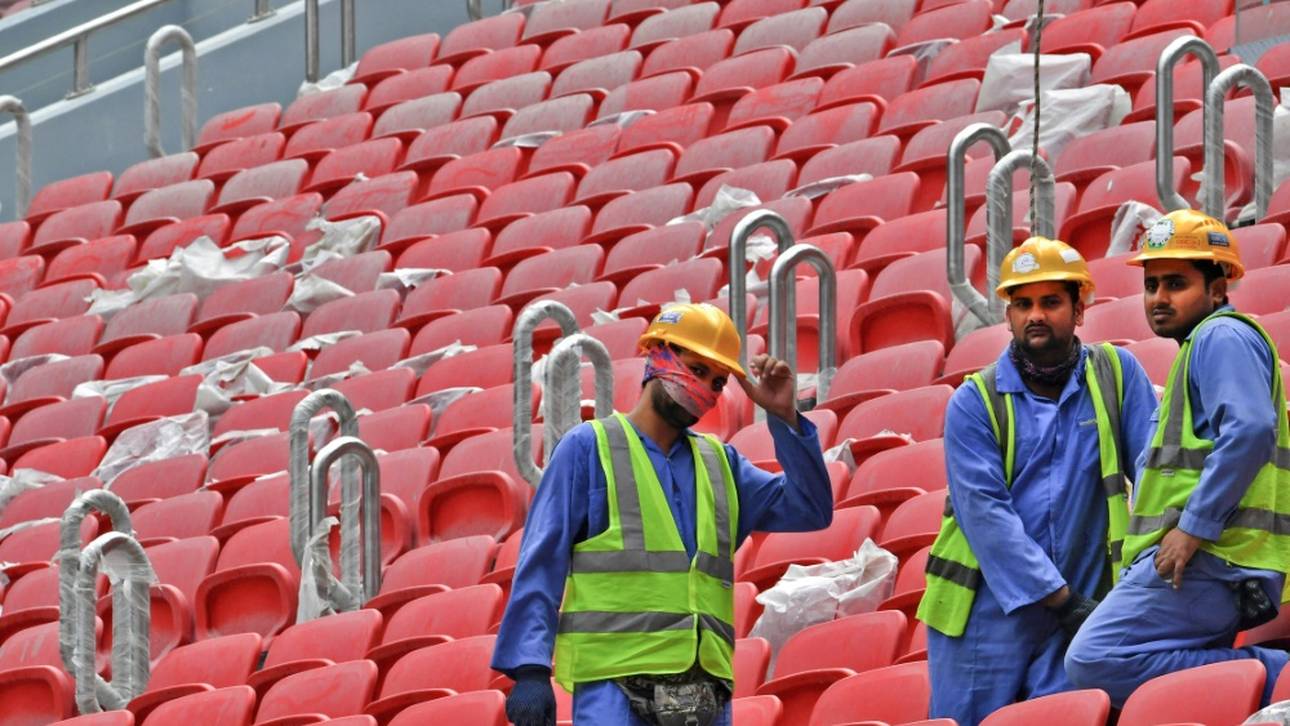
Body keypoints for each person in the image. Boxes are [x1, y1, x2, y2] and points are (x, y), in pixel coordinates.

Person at [492, 302, 834, 726]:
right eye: (696, 368)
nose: (705, 387)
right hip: (614, 687)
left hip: (704, 691)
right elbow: (541, 561)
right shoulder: (588, 449)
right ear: (658, 353)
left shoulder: (721, 464)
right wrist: (529, 669)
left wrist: (784, 418)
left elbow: (811, 509)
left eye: (717, 381)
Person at [917, 236, 1158, 725]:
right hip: (981, 618)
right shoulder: (974, 401)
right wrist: (1063, 600)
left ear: (1079, 309)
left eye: (1050, 302)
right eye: (1022, 304)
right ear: (1006, 315)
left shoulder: (1116, 375)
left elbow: (1157, 477)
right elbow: (987, 518)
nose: (1035, 315)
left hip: (1082, 601)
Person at [1065, 209, 1290, 707]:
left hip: (1212, 557)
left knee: (1094, 658)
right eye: (1151, 285)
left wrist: (1194, 527)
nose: (1159, 298)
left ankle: (1279, 676)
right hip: (1206, 559)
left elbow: (1251, 430)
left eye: (1175, 284)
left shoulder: (1220, 336)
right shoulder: (1198, 349)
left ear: (1216, 289)